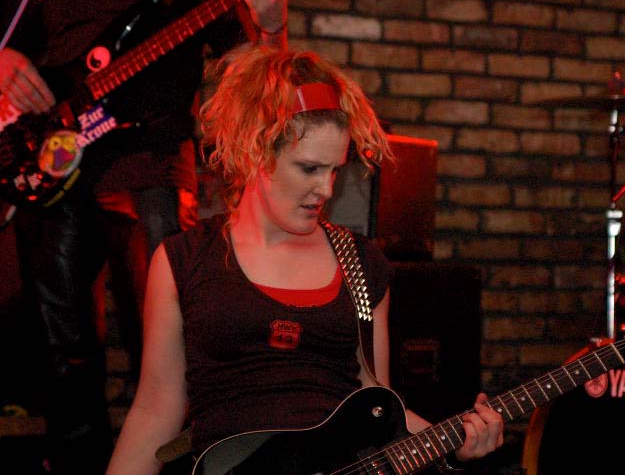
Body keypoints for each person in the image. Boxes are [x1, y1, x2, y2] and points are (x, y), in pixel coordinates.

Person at [105, 45, 505, 474]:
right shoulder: (183, 259)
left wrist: (456, 445)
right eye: (310, 169)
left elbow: (380, 411)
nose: (327, 190)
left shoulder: (361, 264)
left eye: (335, 170)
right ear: (255, 151)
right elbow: (155, 412)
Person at [0, 0, 288, 473]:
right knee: (62, 351)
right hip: (52, 162)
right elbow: (11, 36)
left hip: (152, 167)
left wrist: (273, 29)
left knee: (167, 345)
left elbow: (252, 78)